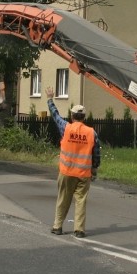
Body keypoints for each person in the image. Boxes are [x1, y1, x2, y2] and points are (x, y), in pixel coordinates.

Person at [46, 87, 100, 238]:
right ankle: (79, 230)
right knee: (81, 201)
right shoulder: (91, 132)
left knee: (63, 198)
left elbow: (55, 115)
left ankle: (57, 227)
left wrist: (50, 99)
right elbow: (96, 154)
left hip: (67, 172)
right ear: (84, 116)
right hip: (84, 174)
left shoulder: (66, 128)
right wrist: (94, 170)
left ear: (72, 115)